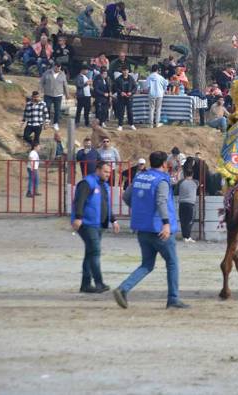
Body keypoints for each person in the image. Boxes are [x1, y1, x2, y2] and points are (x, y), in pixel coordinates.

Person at [113, 151, 189, 309]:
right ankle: (173, 298)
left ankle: (123, 289)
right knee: (172, 262)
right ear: (163, 164)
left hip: (142, 228)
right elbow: (161, 201)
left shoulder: (140, 177)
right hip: (159, 229)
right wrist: (166, 223)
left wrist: (143, 209)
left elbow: (126, 197)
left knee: (147, 264)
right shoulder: (161, 180)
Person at [71, 161, 119, 293]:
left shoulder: (104, 185)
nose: (108, 174)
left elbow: (106, 204)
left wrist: (113, 220)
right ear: (97, 170)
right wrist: (79, 217)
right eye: (105, 172)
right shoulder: (87, 183)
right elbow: (79, 201)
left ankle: (85, 285)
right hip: (87, 224)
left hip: (99, 224)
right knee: (95, 253)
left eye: (109, 172)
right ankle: (99, 283)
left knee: (90, 253)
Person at [39, 62, 68, 131]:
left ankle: (56, 123)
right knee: (47, 107)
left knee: (57, 110)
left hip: (58, 95)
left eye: (59, 68)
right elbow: (41, 82)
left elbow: (65, 85)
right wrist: (39, 91)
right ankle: (47, 121)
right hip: (48, 94)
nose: (58, 69)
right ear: (54, 67)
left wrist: (67, 94)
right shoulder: (47, 72)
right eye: (57, 68)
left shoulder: (62, 74)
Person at [177, 168, 198, 243]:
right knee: (189, 221)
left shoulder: (181, 182)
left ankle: (184, 236)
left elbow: (176, 187)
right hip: (190, 204)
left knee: (183, 221)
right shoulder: (195, 182)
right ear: (192, 174)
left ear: (184, 174)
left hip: (182, 203)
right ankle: (188, 236)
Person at [113, 67, 137, 131]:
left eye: (126, 70)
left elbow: (135, 87)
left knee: (130, 112)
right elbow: (115, 87)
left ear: (128, 71)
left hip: (129, 97)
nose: (125, 72)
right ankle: (120, 125)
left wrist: (131, 92)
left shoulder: (131, 78)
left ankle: (131, 124)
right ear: (122, 71)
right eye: (124, 70)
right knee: (121, 112)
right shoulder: (118, 79)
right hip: (121, 98)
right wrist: (121, 92)